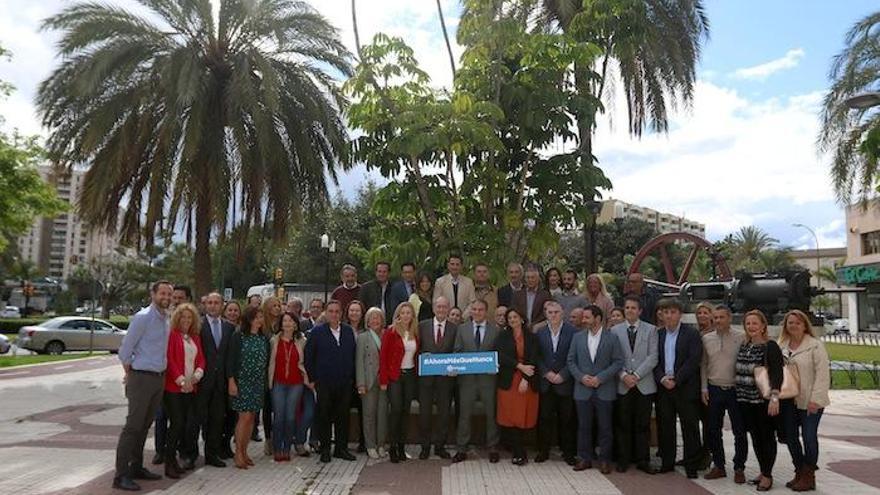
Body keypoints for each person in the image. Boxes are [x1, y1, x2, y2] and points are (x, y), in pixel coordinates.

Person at [112, 281, 172, 492]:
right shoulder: (143, 317)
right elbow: (125, 350)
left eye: (169, 293)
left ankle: (136, 467)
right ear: (153, 294)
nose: (166, 296)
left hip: (158, 378)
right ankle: (120, 475)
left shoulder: (166, 318)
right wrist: (131, 375)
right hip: (141, 378)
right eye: (162, 293)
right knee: (132, 427)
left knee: (145, 425)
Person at [778, 309, 830, 491]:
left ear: (804, 325)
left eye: (797, 322)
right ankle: (799, 470)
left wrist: (815, 399)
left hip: (810, 401)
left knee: (809, 437)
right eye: (790, 322)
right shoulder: (781, 344)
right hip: (789, 400)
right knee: (791, 437)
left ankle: (809, 474)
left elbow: (823, 375)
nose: (793, 326)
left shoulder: (815, 345)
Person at [568, 305, 623, 474]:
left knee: (605, 427)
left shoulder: (611, 338)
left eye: (587, 317)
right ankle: (584, 458)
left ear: (598, 319)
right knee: (584, 426)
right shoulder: (577, 337)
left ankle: (604, 460)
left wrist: (600, 378)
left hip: (604, 389)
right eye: (583, 317)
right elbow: (571, 361)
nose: (583, 320)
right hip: (582, 389)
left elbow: (618, 361)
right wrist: (581, 377)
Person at [654, 298, 703, 479]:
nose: (669, 315)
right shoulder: (658, 335)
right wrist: (662, 378)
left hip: (684, 387)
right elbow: (654, 360)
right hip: (664, 388)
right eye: (666, 312)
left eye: (672, 312)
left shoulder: (691, 334)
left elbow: (693, 360)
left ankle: (692, 465)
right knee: (665, 427)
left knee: (689, 427)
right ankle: (667, 462)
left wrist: (677, 378)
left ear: (679, 314)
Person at [303, 299, 357, 463]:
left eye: (337, 311)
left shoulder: (348, 331)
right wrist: (312, 379)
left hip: (344, 382)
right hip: (324, 382)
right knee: (324, 415)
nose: (334, 314)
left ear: (341, 314)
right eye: (331, 311)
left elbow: (352, 355)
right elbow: (309, 357)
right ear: (326, 313)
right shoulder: (317, 332)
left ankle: (341, 448)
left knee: (343, 416)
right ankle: (325, 448)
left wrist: (352, 378)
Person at [735, 310, 783, 491]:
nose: (751, 327)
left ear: (763, 325)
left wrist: (774, 397)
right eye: (748, 324)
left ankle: (768, 475)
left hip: (762, 401)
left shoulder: (770, 346)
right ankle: (763, 471)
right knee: (755, 437)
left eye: (755, 323)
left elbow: (777, 373)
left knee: (767, 437)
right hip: (744, 399)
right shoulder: (744, 344)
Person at [610, 296, 659, 474]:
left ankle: (643, 460)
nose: (629, 310)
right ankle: (623, 460)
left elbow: (653, 357)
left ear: (640, 311)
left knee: (642, 424)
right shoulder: (615, 331)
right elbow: (613, 357)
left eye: (633, 308)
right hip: (623, 384)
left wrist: (636, 375)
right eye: (627, 308)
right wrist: (623, 375)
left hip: (643, 384)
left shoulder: (651, 330)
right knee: (622, 423)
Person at [700, 304, 747, 483]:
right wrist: (704, 387)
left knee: (739, 431)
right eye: (716, 318)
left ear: (729, 318)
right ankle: (719, 465)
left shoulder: (741, 337)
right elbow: (703, 364)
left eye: (722, 317)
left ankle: (739, 467)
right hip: (714, 388)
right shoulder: (707, 339)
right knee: (713, 430)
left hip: (735, 390)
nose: (718, 321)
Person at [453, 299, 500, 463]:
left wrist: (495, 365)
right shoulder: (462, 329)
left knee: (491, 414)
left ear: (486, 311)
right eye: (474, 309)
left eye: (481, 309)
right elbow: (457, 351)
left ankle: (493, 447)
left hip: (488, 380)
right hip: (467, 380)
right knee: (464, 415)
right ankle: (461, 448)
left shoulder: (495, 330)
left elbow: (498, 354)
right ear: (471, 311)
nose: (477, 312)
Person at [162, 303, 206, 479]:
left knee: (185, 425)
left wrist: (197, 375)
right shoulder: (172, 335)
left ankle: (175, 461)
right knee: (176, 424)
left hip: (191, 386)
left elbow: (201, 358)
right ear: (177, 319)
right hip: (174, 387)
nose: (186, 320)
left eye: (189, 317)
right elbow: (170, 359)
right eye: (183, 317)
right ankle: (168, 462)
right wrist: (181, 380)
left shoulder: (195, 337)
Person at [152, 284, 192, 467]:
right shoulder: (161, 318)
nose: (175, 301)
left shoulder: (189, 323)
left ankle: (181, 451)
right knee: (161, 417)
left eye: (179, 298)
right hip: (163, 377)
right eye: (174, 297)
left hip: (183, 381)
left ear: (187, 300)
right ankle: (160, 451)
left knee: (181, 419)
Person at [194, 293, 235, 469]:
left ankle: (212, 454)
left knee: (217, 420)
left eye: (216, 303)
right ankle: (190, 454)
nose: (212, 306)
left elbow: (230, 356)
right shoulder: (197, 325)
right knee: (195, 420)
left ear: (222, 305)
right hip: (201, 381)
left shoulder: (229, 327)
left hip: (221, 383)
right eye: (209, 302)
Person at [495, 307, 541, 465]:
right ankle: (518, 451)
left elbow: (534, 358)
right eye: (510, 318)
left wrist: (526, 378)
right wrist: (519, 367)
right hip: (509, 380)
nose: (512, 320)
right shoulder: (502, 336)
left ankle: (519, 450)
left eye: (515, 317)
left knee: (522, 415)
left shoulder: (532, 337)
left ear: (522, 319)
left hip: (526, 380)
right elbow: (500, 356)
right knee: (511, 416)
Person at [227, 306, 269, 469]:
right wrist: (231, 381)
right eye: (256, 317)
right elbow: (231, 360)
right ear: (249, 319)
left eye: (261, 317)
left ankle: (245, 452)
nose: (259, 320)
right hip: (242, 382)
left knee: (251, 418)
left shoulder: (262, 338)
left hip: (257, 383)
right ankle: (238, 452)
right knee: (243, 418)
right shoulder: (239, 336)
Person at [535, 301, 577, 465]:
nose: (553, 315)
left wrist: (563, 375)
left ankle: (568, 453)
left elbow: (574, 357)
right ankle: (543, 451)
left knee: (566, 419)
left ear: (563, 313)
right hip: (546, 383)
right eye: (550, 312)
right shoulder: (540, 332)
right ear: (546, 314)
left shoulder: (573, 332)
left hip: (564, 383)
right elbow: (536, 356)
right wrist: (546, 372)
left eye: (556, 312)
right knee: (544, 418)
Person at [379, 302, 420, 463]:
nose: (405, 316)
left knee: (405, 411)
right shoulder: (391, 332)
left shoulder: (415, 332)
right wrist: (383, 380)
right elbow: (383, 357)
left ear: (412, 316)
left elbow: (417, 354)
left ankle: (402, 446)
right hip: (395, 376)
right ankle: (393, 447)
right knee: (395, 411)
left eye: (408, 313)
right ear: (398, 315)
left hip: (410, 376)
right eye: (402, 313)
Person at [417, 296, 457, 460]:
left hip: (445, 379)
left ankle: (440, 446)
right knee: (424, 414)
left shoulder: (455, 328)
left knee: (444, 414)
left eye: (444, 307)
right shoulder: (422, 326)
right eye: (438, 307)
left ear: (448, 309)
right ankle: (425, 447)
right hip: (426, 379)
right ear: (433, 308)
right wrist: (422, 355)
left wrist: (455, 366)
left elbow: (457, 351)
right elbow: (415, 349)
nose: (441, 310)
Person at [268, 313, 307, 462]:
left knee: (290, 417)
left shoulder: (302, 341)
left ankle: (287, 448)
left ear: (296, 324)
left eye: (290, 321)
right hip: (278, 382)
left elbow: (305, 362)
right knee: (279, 416)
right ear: (281, 324)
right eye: (285, 321)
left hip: (296, 383)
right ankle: (277, 448)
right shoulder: (274, 340)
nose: (287, 323)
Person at [357, 307, 388, 460]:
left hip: (384, 381)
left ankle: (381, 444)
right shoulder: (362, 337)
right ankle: (370, 445)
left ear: (382, 320)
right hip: (368, 381)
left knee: (382, 414)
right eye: (372, 318)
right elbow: (359, 362)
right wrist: (360, 383)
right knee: (369, 414)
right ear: (367, 321)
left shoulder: (387, 335)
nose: (375, 321)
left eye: (378, 318)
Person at [256, 296, 283, 454]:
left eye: (278, 305)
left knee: (278, 407)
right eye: (273, 306)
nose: (277, 308)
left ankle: (279, 437)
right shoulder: (262, 328)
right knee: (267, 407)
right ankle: (268, 439)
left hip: (280, 370)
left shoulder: (282, 325)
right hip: (265, 371)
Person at [693, 301, 715, 470]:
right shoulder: (695, 333)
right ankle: (697, 453)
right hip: (694, 380)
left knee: (709, 421)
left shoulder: (714, 333)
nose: (702, 316)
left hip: (709, 382)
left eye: (705, 312)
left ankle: (708, 454)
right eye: (699, 313)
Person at [346, 298, 368, 452]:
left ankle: (363, 442)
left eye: (357, 311)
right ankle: (343, 442)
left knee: (363, 410)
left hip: (363, 376)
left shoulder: (366, 331)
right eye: (352, 310)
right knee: (343, 409)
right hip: (346, 376)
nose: (354, 313)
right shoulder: (342, 329)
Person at [512, 265, 552, 329]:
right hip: (521, 328)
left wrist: (535, 325)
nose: (530, 280)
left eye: (532, 277)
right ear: (525, 279)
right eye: (528, 277)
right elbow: (514, 310)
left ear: (538, 279)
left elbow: (546, 313)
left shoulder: (545, 295)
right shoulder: (518, 295)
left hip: (539, 328)